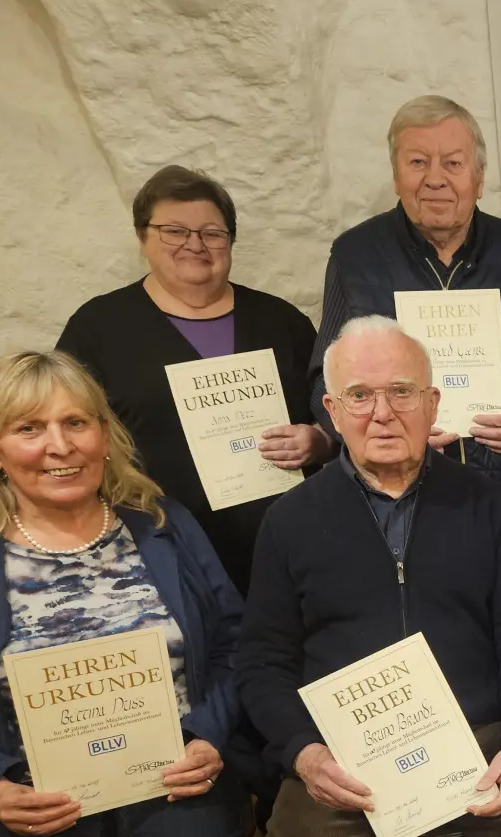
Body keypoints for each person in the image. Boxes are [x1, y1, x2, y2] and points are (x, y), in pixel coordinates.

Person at [238, 317, 501, 837]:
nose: (382, 412)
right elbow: (262, 661)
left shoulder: (485, 503)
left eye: (402, 391)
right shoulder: (290, 520)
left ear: (432, 402)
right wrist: (303, 754)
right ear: (331, 410)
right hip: (346, 753)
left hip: (481, 736)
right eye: (359, 395)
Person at [0, 352, 245, 837]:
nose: (60, 446)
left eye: (76, 422)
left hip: (174, 780)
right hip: (30, 794)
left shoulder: (163, 524)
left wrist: (208, 736)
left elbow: (236, 646)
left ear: (104, 434)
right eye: (29, 428)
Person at [308, 95, 501, 527]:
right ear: (396, 174)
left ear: (478, 178)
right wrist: (389, 431)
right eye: (418, 162)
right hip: (400, 501)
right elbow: (323, 386)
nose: (435, 179)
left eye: (453, 164)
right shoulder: (354, 257)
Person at [58, 164, 325, 595]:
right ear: (143, 238)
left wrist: (318, 442)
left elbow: (334, 414)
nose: (194, 244)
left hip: (285, 551)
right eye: (174, 231)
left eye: (211, 233)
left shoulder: (282, 321)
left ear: (230, 241)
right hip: (156, 552)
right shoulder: (98, 328)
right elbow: (67, 431)